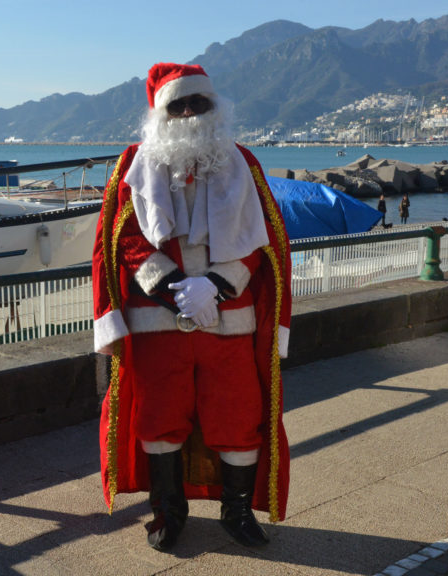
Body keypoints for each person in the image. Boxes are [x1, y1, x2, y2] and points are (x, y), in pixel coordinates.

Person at [92, 62, 292, 552]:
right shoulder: (133, 164)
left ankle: (237, 512)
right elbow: (124, 239)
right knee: (159, 418)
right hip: (158, 323)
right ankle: (168, 511)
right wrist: (177, 287)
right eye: (176, 105)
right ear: (159, 113)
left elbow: (261, 240)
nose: (187, 112)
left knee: (239, 417)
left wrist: (217, 287)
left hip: (230, 322)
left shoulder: (242, 161)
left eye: (196, 103)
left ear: (213, 107)